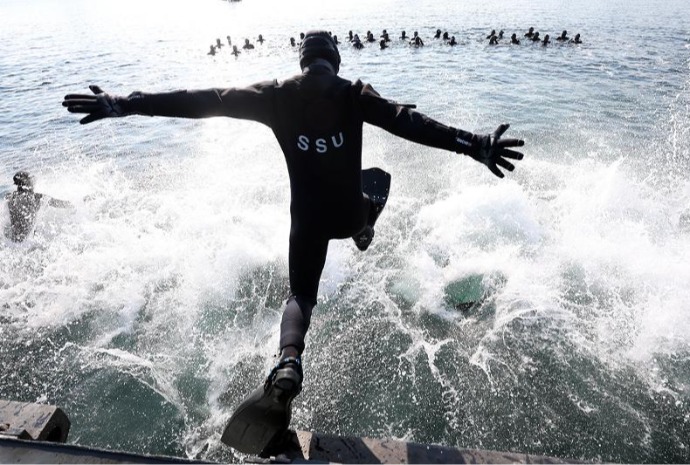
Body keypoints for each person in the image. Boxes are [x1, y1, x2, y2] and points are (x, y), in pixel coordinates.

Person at [62, 30, 524, 421]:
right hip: (347, 213)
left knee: (300, 295)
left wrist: (125, 103)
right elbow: (410, 124)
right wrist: (475, 144)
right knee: (378, 180)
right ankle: (367, 229)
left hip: (306, 222)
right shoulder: (353, 94)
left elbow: (204, 100)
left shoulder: (275, 96)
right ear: (335, 62)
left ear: (302, 63)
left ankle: (287, 363)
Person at [4, 171, 72, 242]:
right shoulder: (37, 197)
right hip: (26, 241)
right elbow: (62, 204)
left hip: (12, 240)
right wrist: (79, 202)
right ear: (28, 184)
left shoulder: (9, 197)